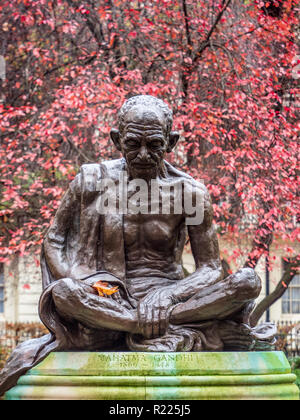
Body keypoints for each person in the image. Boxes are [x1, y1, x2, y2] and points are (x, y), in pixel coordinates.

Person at [0, 95, 275, 396]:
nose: (143, 154)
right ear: (117, 140)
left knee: (248, 281)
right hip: (109, 296)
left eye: (154, 145)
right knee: (64, 292)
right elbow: (53, 241)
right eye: (133, 144)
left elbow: (209, 268)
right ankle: (140, 325)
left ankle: (127, 327)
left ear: (171, 142)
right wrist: (86, 283)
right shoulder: (91, 180)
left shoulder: (190, 193)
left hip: (172, 296)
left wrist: (167, 296)